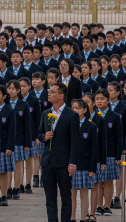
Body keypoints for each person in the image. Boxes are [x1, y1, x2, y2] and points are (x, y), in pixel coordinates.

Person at [39, 82, 80, 222]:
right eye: (49, 91)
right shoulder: (46, 113)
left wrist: (72, 162)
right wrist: (44, 136)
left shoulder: (71, 115)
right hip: (47, 162)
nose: (49, 93)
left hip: (63, 162)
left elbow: (75, 141)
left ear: (61, 95)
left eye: (53, 92)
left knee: (66, 198)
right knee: (50, 198)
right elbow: (39, 133)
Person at [70, 99, 98, 222]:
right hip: (70, 163)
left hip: (84, 164)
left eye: (78, 108)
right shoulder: (69, 123)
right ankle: (71, 217)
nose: (75, 110)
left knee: (84, 192)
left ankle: (83, 217)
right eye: (73, 108)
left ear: (85, 110)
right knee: (71, 193)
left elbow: (94, 148)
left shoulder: (91, 126)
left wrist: (92, 168)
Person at [0, 85, 15, 207]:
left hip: (5, 146)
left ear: (4, 96)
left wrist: (9, 147)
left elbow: (11, 131)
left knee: (3, 172)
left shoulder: (9, 111)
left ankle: (4, 195)